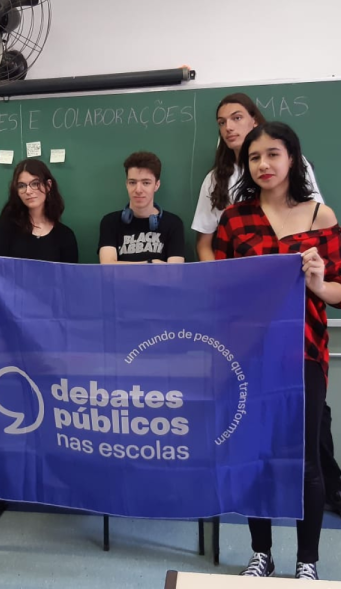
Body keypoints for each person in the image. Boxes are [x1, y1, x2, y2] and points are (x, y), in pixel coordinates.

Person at [193, 93, 341, 517]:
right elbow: (214, 266)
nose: (263, 165)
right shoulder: (232, 213)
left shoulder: (318, 214)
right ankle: (261, 551)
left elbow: (335, 285)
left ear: (292, 159)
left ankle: (310, 550)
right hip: (247, 343)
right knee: (252, 446)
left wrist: (316, 280)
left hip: (302, 344)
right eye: (255, 157)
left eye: (273, 154)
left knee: (308, 449)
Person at [192, 92, 323, 261]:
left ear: (254, 120)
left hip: (294, 266)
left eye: (237, 118)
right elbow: (204, 243)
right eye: (221, 122)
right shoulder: (216, 179)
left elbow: (317, 219)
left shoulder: (292, 164)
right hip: (240, 274)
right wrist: (217, 280)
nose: (228, 127)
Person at [98, 151, 184, 264]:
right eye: (132, 182)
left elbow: (174, 273)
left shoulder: (173, 223)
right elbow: (108, 269)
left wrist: (122, 267)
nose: (138, 190)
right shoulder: (110, 222)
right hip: (121, 283)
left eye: (146, 183)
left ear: (156, 185)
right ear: (127, 184)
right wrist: (150, 264)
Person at [0, 159, 78, 262]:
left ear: (48, 186)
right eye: (21, 186)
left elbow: (69, 276)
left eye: (35, 184)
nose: (28, 191)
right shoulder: (5, 226)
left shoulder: (65, 235)